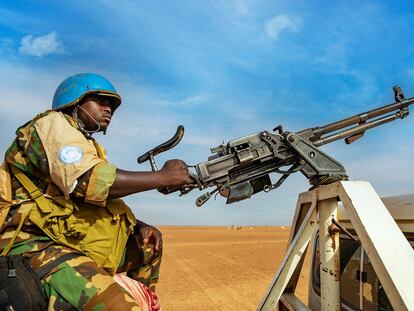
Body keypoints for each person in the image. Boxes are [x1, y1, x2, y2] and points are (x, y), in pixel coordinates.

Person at [0, 73, 192, 310]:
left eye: (111, 105)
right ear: (74, 101)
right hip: (35, 242)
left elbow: (88, 201)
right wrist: (162, 177)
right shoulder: (50, 125)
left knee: (148, 245)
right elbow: (90, 181)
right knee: (119, 306)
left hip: (67, 235)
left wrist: (136, 224)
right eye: (101, 101)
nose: (108, 108)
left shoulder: (86, 144)